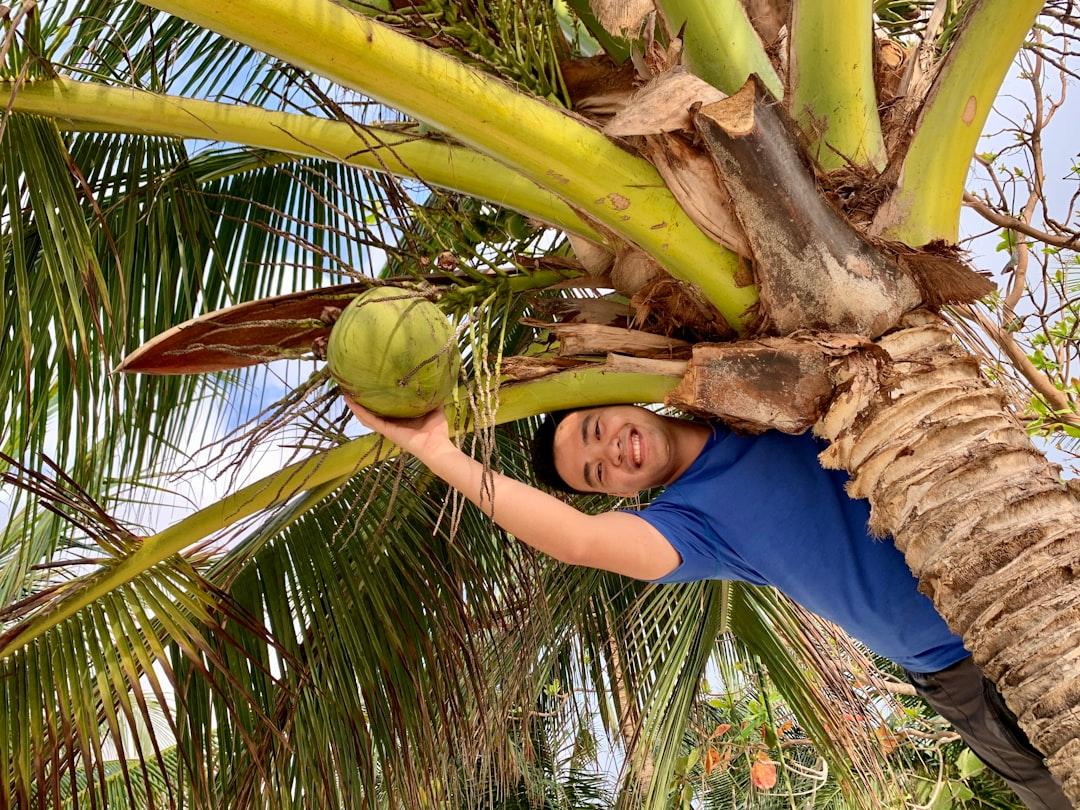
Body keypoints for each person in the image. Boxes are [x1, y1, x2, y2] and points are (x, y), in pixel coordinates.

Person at [345, 398, 1070, 809]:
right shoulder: (690, 527)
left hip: (1040, 579)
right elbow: (577, 540)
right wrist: (438, 452)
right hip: (959, 672)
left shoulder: (755, 397)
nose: (613, 452)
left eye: (596, 429)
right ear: (617, 495)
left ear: (622, 398)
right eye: (597, 474)